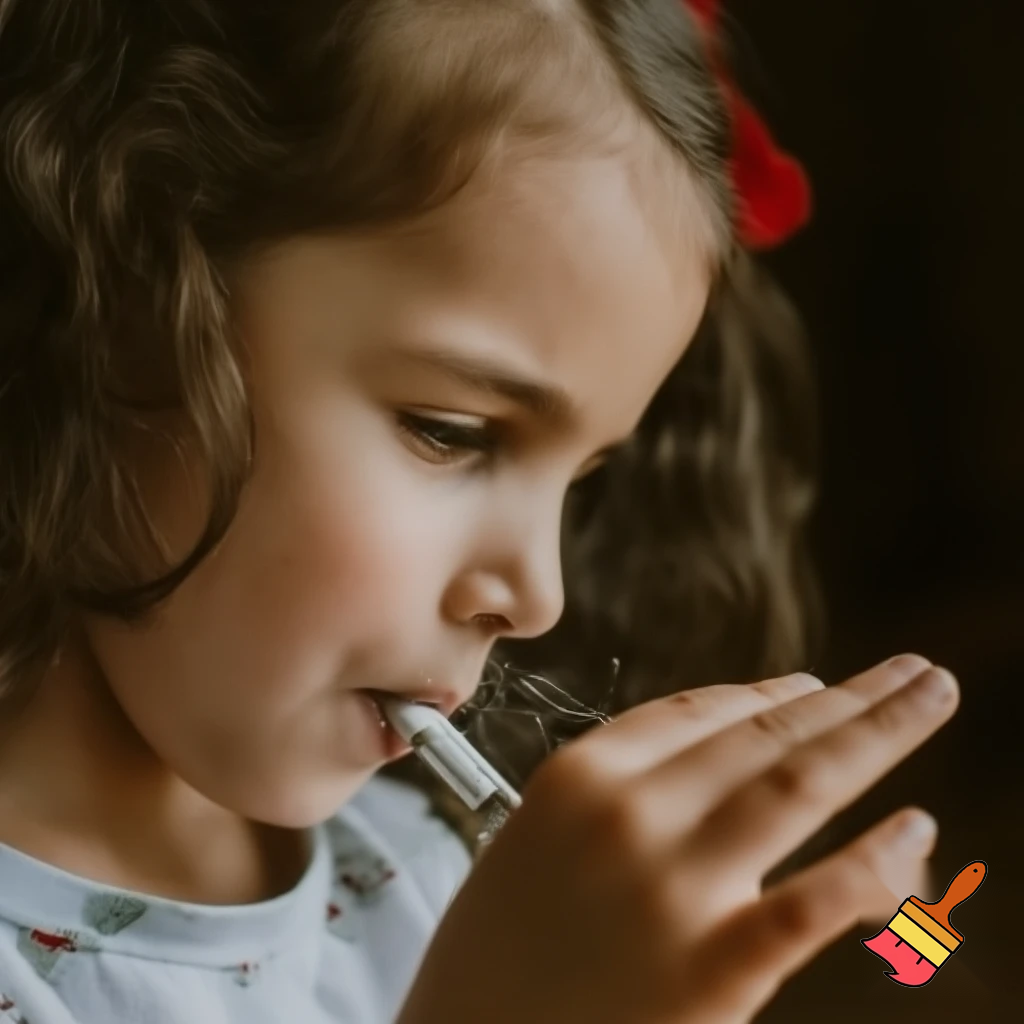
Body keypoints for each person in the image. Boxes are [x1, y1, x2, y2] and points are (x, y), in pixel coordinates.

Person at [0, 0, 958, 1021]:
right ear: (117, 300)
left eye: (579, 478)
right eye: (449, 431)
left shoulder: (444, 890)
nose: (537, 596)